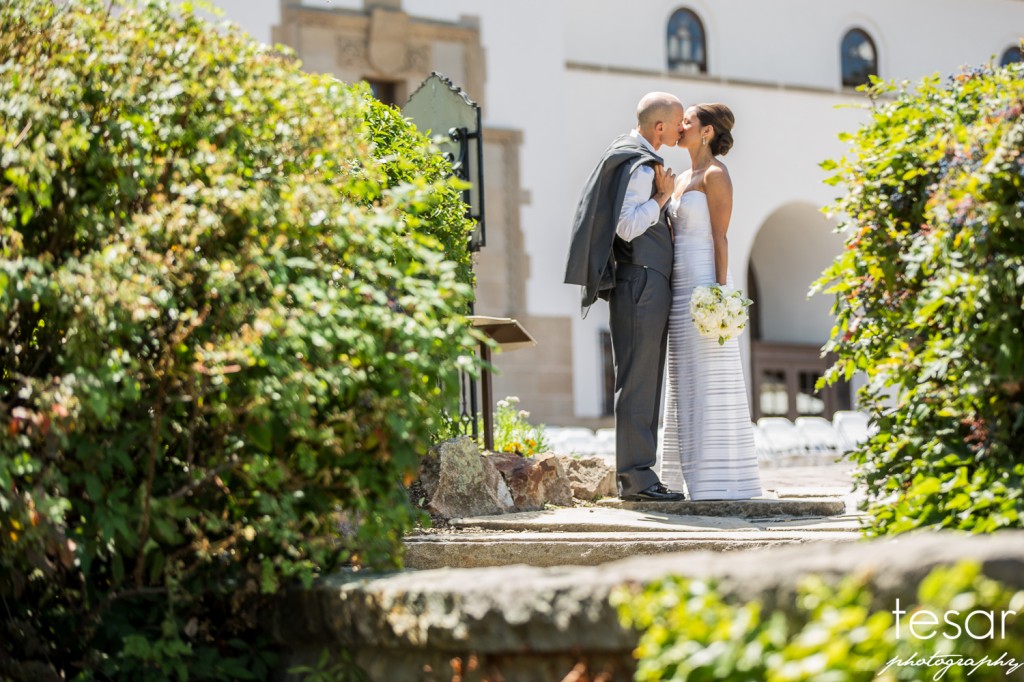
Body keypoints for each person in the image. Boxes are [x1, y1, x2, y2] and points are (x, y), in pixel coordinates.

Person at [564, 92, 686, 501]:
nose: (682, 127)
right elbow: (627, 227)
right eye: (677, 121)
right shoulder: (640, 166)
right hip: (641, 283)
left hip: (645, 282)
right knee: (637, 380)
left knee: (645, 380)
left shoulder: (634, 155)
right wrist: (661, 198)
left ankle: (641, 476)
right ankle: (636, 480)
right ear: (658, 128)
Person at [660, 103, 762, 500]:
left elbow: (721, 237)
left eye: (687, 121)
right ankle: (680, 477)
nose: (680, 126)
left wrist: (720, 296)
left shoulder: (716, 175)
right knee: (683, 377)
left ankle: (718, 478)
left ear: (705, 132)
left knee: (711, 378)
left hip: (705, 283)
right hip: (679, 286)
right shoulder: (682, 177)